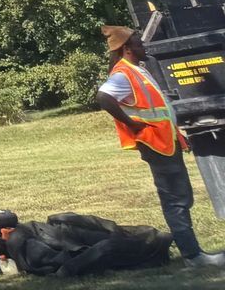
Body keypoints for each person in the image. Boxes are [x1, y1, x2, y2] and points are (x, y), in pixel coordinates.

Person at [95, 23, 225, 265]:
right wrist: (132, 125)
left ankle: (192, 251)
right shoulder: (123, 74)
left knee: (181, 196)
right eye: (139, 43)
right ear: (127, 48)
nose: (143, 45)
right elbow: (104, 97)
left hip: (165, 141)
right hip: (155, 144)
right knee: (175, 199)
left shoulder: (137, 69)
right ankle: (193, 255)